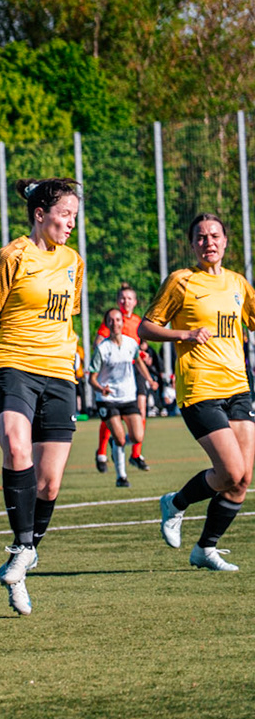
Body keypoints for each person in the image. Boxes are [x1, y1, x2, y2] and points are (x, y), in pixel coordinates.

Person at [0, 177, 85, 616]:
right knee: (16, 447)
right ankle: (22, 547)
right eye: (64, 215)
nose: (71, 223)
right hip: (13, 367)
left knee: (50, 482)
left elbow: (66, 320)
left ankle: (26, 557)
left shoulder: (73, 262)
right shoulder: (11, 256)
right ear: (40, 215)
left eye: (75, 216)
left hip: (60, 373)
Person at [139, 213, 255, 571]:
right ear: (192, 245)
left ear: (225, 241)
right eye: (201, 237)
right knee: (230, 471)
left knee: (242, 480)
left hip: (238, 387)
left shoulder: (238, 283)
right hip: (199, 388)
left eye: (215, 236)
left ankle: (205, 548)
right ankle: (175, 503)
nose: (209, 243)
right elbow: (146, 327)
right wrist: (184, 335)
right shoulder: (181, 281)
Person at [94, 285, 154, 475]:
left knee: (141, 410)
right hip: (115, 371)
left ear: (135, 302)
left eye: (129, 298)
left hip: (134, 368)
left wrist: (145, 354)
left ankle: (136, 454)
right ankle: (103, 451)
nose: (125, 302)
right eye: (122, 298)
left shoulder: (138, 321)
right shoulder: (113, 319)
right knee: (113, 415)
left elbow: (142, 346)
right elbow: (100, 342)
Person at [90, 308, 146, 489]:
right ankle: (121, 476)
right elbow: (91, 378)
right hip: (108, 399)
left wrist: (151, 380)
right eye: (111, 320)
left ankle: (114, 443)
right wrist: (101, 388)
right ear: (107, 324)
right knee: (122, 439)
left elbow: (138, 361)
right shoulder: (103, 349)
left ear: (123, 322)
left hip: (128, 396)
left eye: (118, 320)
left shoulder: (131, 344)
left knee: (137, 436)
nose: (115, 323)